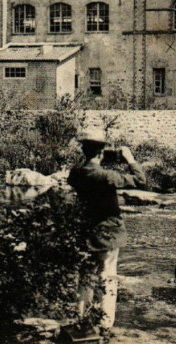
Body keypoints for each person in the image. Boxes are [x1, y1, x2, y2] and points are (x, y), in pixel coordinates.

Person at [67, 128, 146, 335]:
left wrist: (96, 158)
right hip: (108, 235)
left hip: (85, 233)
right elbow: (140, 180)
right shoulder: (105, 176)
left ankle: (82, 321)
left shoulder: (76, 174)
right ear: (102, 151)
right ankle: (104, 325)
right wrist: (130, 159)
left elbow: (80, 173)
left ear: (84, 150)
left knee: (85, 278)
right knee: (107, 277)